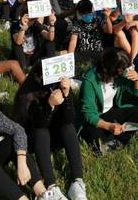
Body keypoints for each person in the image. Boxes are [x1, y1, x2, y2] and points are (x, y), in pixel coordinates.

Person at [14, 67, 87, 200]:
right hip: (35, 139)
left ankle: (77, 182)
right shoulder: (27, 96)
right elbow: (36, 125)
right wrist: (49, 105)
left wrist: (66, 94)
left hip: (53, 136)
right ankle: (51, 186)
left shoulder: (58, 87)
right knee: (41, 130)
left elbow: (69, 118)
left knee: (68, 127)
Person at [79, 48, 138, 153]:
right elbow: (88, 114)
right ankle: (115, 136)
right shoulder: (90, 80)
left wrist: (137, 80)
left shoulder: (120, 75)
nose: (125, 71)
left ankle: (118, 141)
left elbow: (136, 94)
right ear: (112, 69)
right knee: (94, 137)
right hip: (97, 117)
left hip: (111, 111)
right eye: (122, 69)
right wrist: (109, 126)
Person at [68, 0, 118, 64]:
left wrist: (107, 17)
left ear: (92, 10)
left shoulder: (98, 20)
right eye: (84, 14)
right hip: (83, 54)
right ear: (79, 13)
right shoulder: (77, 24)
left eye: (89, 13)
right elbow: (73, 42)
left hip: (98, 53)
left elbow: (109, 31)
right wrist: (69, 59)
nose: (87, 15)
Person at [11, 5, 56, 70]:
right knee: (18, 45)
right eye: (29, 18)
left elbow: (50, 38)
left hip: (34, 55)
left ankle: (51, 65)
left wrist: (52, 24)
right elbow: (18, 42)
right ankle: (24, 69)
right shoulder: (15, 25)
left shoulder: (35, 24)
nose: (31, 21)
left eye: (33, 19)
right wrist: (23, 27)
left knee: (50, 42)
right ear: (21, 16)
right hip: (22, 56)